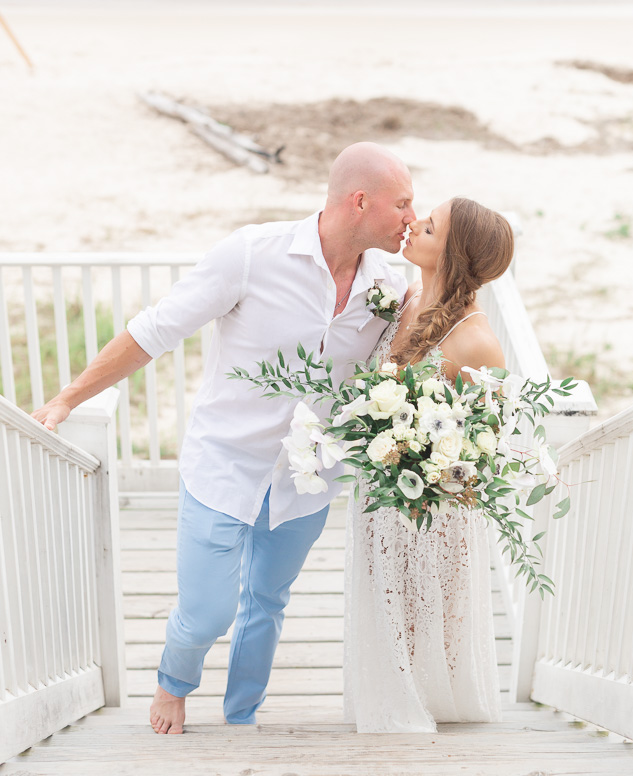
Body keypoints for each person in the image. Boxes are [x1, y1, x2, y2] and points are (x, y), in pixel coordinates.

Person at [31, 141, 415, 735]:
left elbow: (400, 366)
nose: (412, 217)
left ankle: (242, 714)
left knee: (267, 600)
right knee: (207, 611)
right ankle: (174, 682)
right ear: (359, 201)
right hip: (225, 464)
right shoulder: (252, 255)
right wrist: (67, 398)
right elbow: (154, 331)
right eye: (403, 204)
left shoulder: (390, 286)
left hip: (309, 477)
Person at [343, 196, 515, 733]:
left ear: (453, 254)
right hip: (381, 488)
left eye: (431, 227)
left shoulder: (477, 342)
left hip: (432, 505)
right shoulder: (411, 294)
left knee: (424, 604)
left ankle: (417, 703)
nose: (414, 224)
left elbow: (486, 440)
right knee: (382, 595)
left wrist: (422, 459)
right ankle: (388, 692)